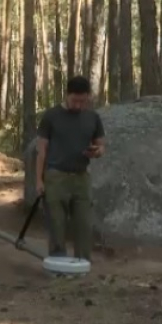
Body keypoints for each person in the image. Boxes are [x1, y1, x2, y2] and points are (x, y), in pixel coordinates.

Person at [34, 75, 106, 261]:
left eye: (83, 101)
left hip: (81, 178)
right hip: (56, 177)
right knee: (57, 225)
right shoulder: (51, 116)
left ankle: (82, 264)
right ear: (67, 95)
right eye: (75, 100)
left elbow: (101, 146)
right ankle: (58, 265)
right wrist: (39, 180)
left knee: (83, 225)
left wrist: (96, 151)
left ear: (88, 98)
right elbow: (42, 150)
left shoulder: (93, 118)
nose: (78, 105)